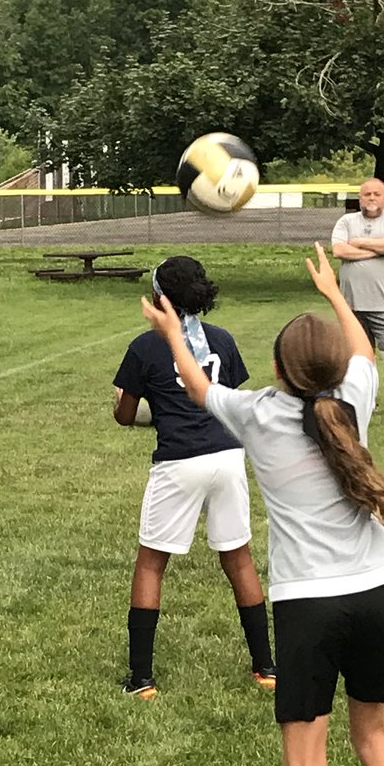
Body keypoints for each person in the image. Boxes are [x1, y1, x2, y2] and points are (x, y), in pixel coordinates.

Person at [142, 242, 384, 766]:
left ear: (277, 368)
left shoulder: (257, 413)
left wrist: (173, 331)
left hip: (308, 607)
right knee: (375, 738)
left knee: (307, 764)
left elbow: (193, 383)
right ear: (335, 368)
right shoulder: (353, 400)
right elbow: (363, 351)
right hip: (372, 597)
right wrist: (337, 294)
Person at [113, 255, 275, 700]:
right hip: (227, 455)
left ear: (159, 297)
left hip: (179, 460)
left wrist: (143, 407)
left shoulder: (145, 347)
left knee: (151, 562)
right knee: (238, 558)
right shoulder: (222, 339)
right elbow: (231, 402)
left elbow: (124, 416)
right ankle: (265, 666)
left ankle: (142, 678)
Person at [331, 178, 384, 418]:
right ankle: (367, 400)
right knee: (360, 357)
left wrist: (360, 243)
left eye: (377, 194)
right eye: (367, 194)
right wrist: (378, 249)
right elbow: (339, 250)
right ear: (360, 197)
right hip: (351, 303)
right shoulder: (346, 221)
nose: (372, 198)